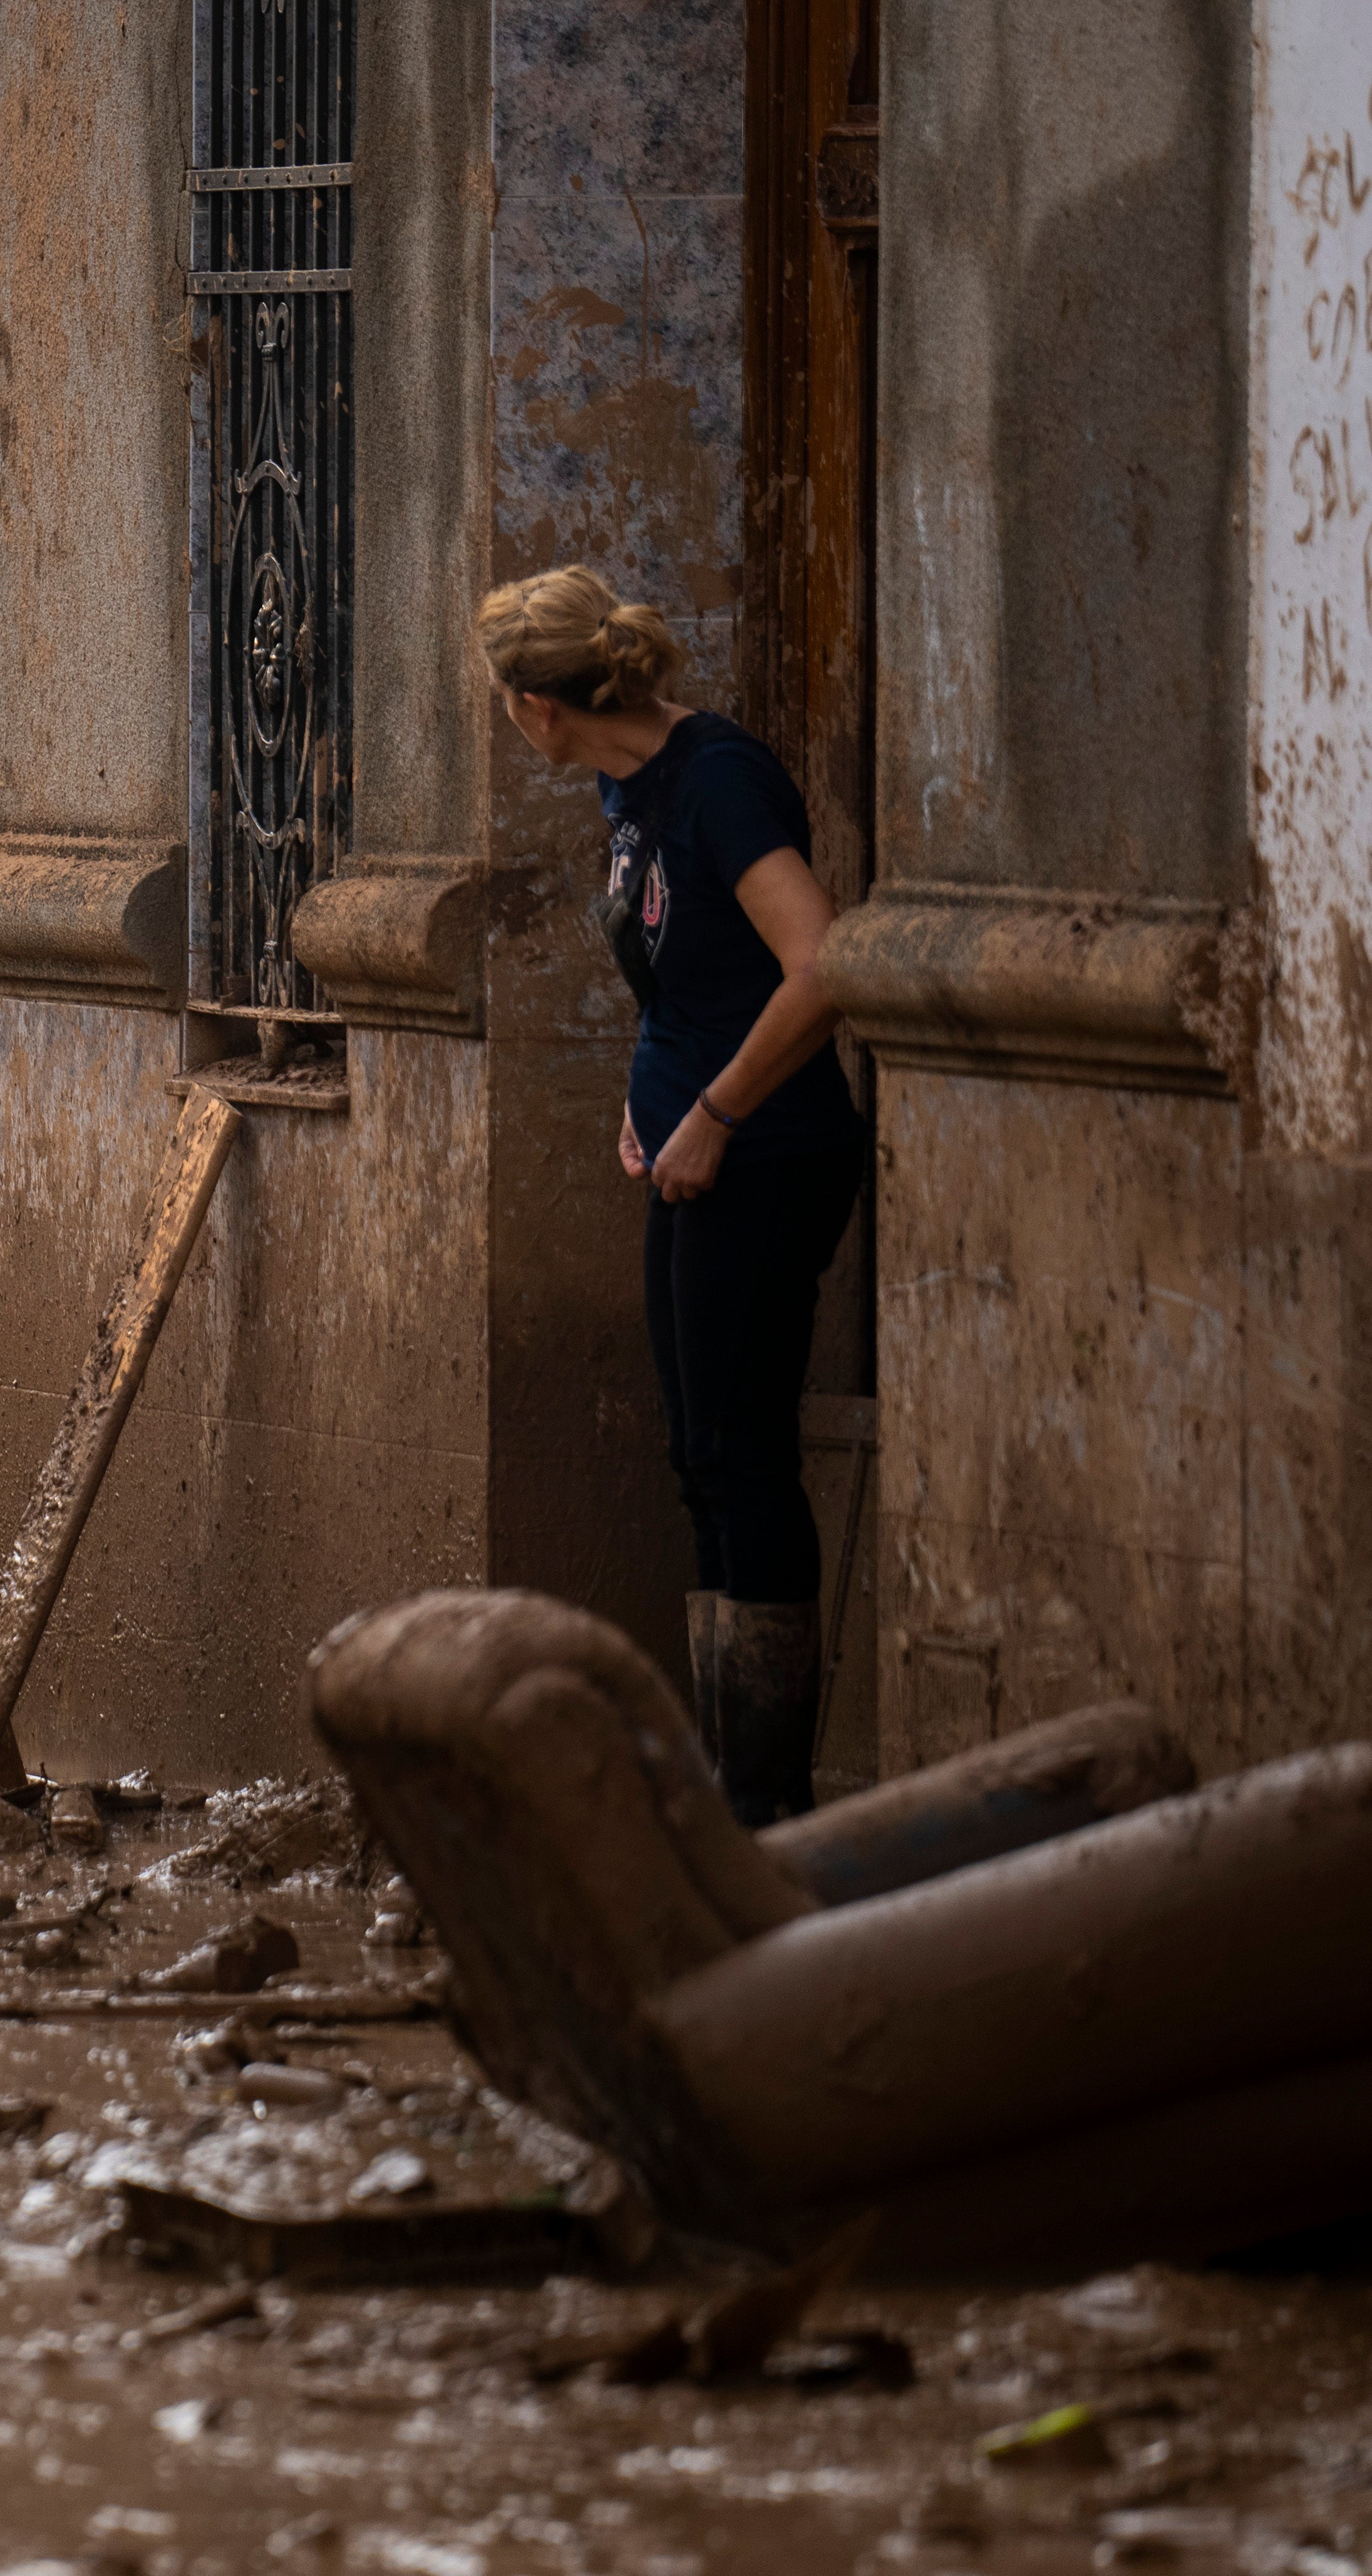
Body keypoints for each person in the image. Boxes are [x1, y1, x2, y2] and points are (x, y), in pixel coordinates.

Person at [478, 563, 860, 1824]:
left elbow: (820, 965)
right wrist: (651, 1098)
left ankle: (766, 1807)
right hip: (696, 1152)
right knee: (700, 1456)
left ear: (537, 706)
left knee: (742, 1461)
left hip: (762, 1154)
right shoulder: (626, 787)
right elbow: (687, 969)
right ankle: (722, 1787)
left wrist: (713, 1111)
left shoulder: (717, 781)